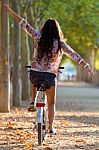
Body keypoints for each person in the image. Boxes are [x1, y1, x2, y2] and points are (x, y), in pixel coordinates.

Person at [4, 4, 95, 134]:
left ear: (44, 28)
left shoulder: (38, 37)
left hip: (35, 74)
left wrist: (10, 11)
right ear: (57, 31)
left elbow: (24, 24)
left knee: (34, 76)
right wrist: (86, 66)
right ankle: (51, 127)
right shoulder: (60, 44)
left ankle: (33, 101)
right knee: (51, 103)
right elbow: (74, 55)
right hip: (49, 77)